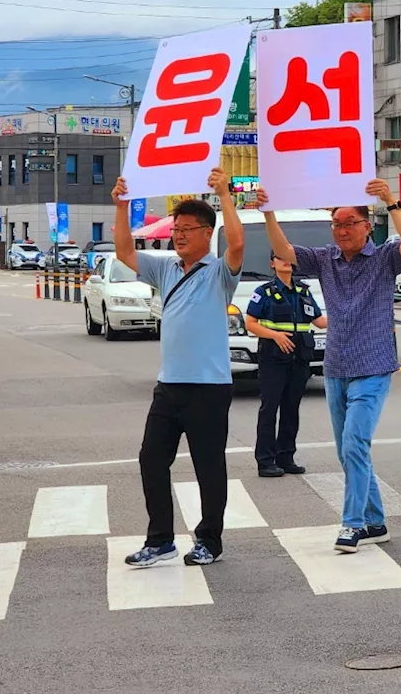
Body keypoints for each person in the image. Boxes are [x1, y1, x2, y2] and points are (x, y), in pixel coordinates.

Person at [253, 179, 401, 554]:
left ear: (366, 225)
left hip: (372, 366)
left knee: (356, 442)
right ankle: (376, 522)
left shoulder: (385, 259)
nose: (341, 230)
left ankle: (352, 524)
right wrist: (268, 212)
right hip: (336, 365)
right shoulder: (326, 258)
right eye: (336, 224)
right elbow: (284, 250)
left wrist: (391, 201)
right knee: (348, 449)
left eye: (349, 223)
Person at [113, 169, 244, 568]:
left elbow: (237, 243)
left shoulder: (220, 273)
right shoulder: (166, 268)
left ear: (207, 233)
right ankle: (160, 539)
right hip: (168, 386)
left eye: (188, 228)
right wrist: (120, 206)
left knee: (209, 467)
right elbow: (124, 251)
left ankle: (209, 540)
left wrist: (224, 194)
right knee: (151, 459)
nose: (180, 235)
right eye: (177, 229)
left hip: (208, 387)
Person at [245, 253, 327, 478]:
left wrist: (348, 315)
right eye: (280, 258)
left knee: (291, 408)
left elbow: (319, 321)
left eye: (289, 258)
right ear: (271, 263)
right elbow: (250, 323)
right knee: (270, 408)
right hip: (273, 357)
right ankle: (265, 461)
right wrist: (275, 336)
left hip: (299, 358)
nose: (286, 262)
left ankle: (286, 456)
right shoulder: (264, 292)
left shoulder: (303, 291)